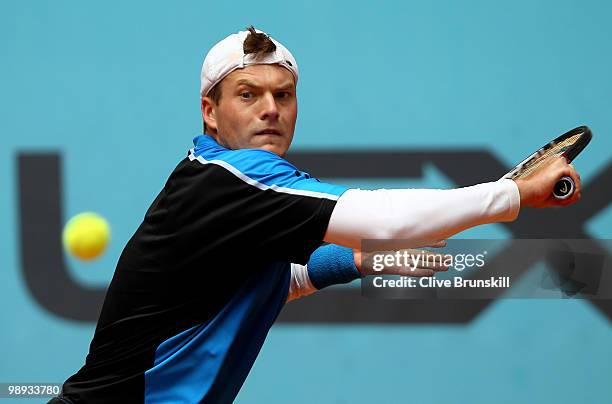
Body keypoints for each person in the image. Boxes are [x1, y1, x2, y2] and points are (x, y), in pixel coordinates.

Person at [51, 26, 581, 404]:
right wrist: (512, 195)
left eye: (283, 95)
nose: (270, 109)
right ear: (210, 113)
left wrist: (361, 261)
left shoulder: (219, 180)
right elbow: (386, 219)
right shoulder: (233, 178)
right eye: (247, 94)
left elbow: (265, 283)